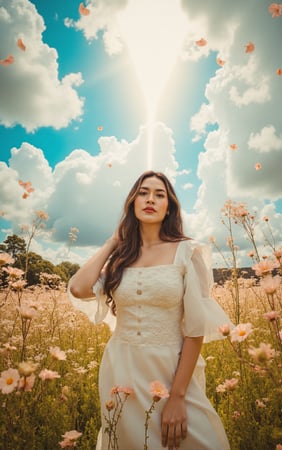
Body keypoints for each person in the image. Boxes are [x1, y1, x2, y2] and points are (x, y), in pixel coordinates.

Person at [68, 170, 232, 450]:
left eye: (159, 194)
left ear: (170, 207)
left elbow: (195, 331)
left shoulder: (186, 252)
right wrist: (112, 242)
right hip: (121, 367)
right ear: (132, 202)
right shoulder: (121, 257)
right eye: (143, 193)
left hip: (171, 369)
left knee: (199, 440)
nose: (150, 199)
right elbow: (78, 288)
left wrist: (178, 396)